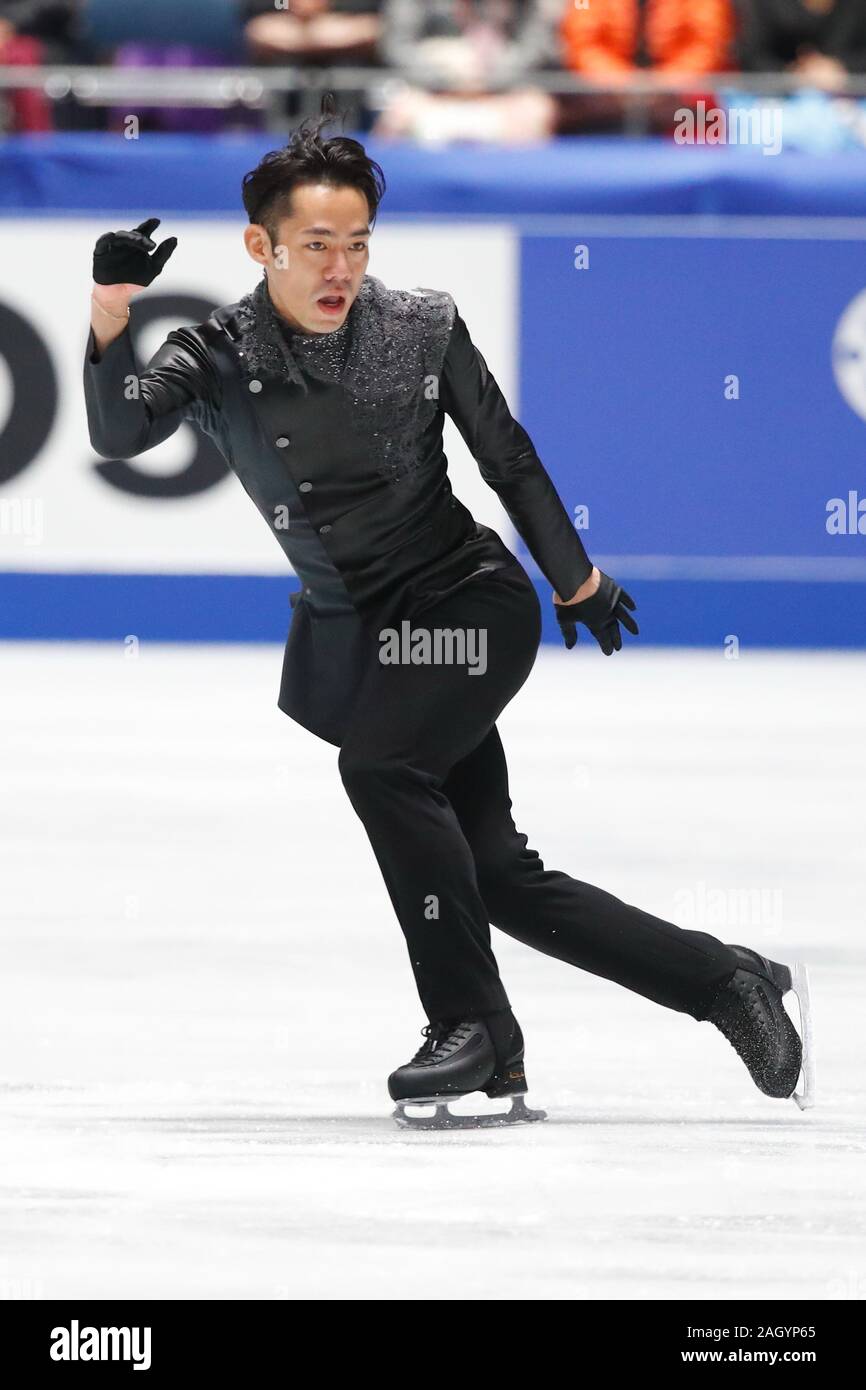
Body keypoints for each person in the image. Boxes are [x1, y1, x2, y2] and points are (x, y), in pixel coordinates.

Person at [82, 104, 811, 1127]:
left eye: (357, 243)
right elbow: (118, 430)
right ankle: (723, 981)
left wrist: (575, 578)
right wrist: (112, 307)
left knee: (380, 768)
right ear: (261, 246)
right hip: (360, 636)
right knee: (496, 876)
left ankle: (465, 1026)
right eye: (315, 246)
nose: (340, 267)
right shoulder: (214, 351)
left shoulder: (421, 321)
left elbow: (502, 454)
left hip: (465, 603)